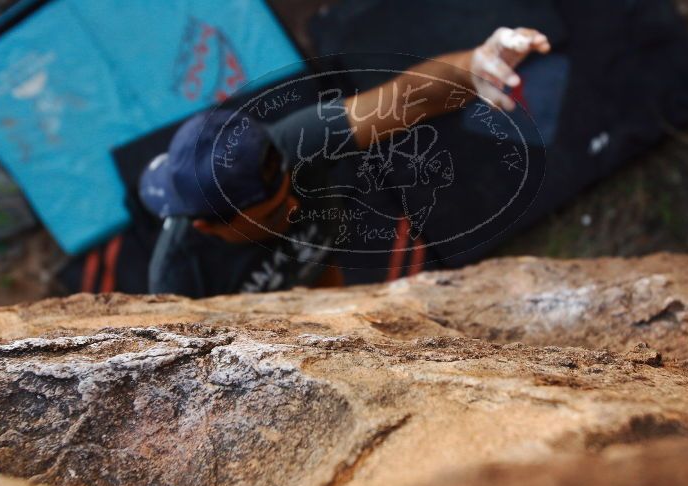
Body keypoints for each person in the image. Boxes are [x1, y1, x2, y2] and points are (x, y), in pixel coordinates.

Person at [138, 27, 550, 297]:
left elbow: (412, 98)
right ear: (208, 226)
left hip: (326, 288)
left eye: (289, 189)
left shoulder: (295, 143)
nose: (295, 206)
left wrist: (473, 67)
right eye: (275, 211)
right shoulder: (180, 280)